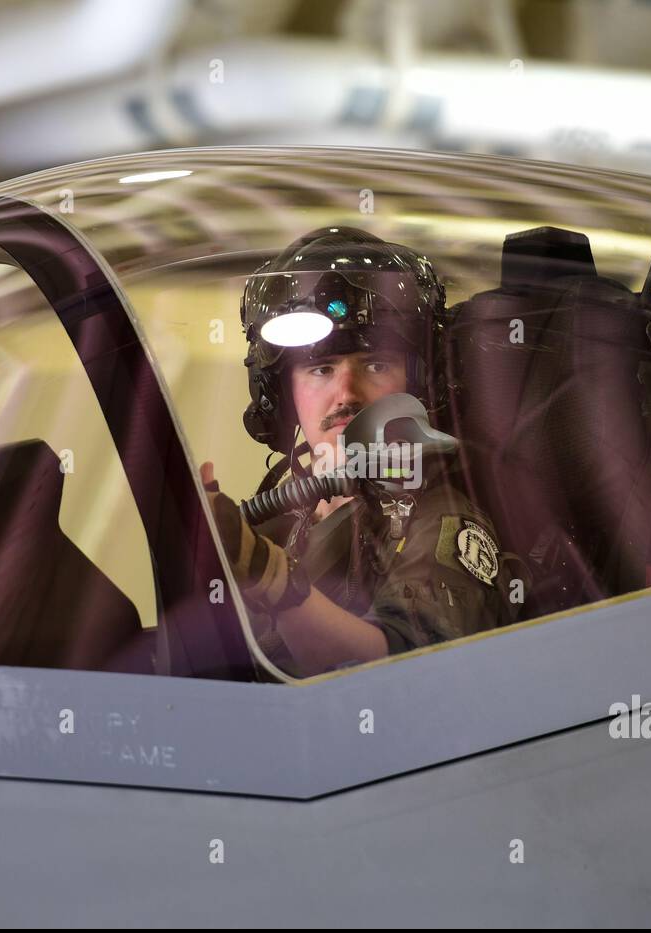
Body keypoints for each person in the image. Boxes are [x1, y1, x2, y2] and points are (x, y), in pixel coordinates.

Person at [200, 226, 513, 678]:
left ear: (420, 382)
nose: (346, 393)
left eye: (375, 365)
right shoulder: (283, 520)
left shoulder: (436, 519)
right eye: (320, 369)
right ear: (282, 397)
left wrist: (272, 581)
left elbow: (399, 673)